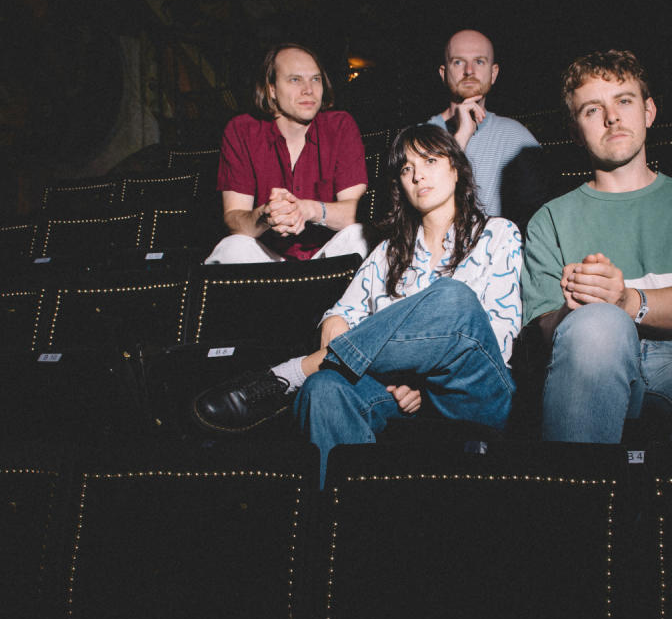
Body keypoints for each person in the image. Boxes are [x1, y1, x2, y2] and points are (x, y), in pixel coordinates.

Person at [193, 124, 523, 484]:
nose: (418, 175)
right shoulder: (388, 251)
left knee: (453, 298)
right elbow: (337, 317)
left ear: (456, 168)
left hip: (474, 392)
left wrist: (420, 382)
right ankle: (346, 522)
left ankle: (290, 373)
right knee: (323, 390)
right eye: (406, 168)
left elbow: (499, 339)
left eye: (430, 160)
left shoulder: (498, 233)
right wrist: (397, 378)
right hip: (396, 397)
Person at [521, 49, 672, 443]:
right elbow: (544, 329)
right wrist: (574, 312)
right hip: (591, 363)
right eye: (591, 110)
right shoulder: (551, 218)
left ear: (649, 111)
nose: (612, 117)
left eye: (624, 101)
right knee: (597, 325)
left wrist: (625, 301)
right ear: (574, 130)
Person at [204, 43, 369, 263]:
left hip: (327, 255)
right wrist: (265, 216)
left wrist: (309, 209)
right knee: (231, 247)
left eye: (315, 79)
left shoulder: (340, 126)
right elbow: (234, 218)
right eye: (295, 79)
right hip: (267, 258)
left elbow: (353, 212)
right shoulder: (242, 130)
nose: (308, 89)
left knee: (359, 236)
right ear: (271, 89)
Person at [428, 29, 544, 223]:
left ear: (493, 73)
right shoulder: (418, 139)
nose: (469, 71)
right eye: (458, 62)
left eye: (479, 61)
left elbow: (541, 215)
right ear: (443, 73)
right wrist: (461, 137)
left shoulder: (517, 138)